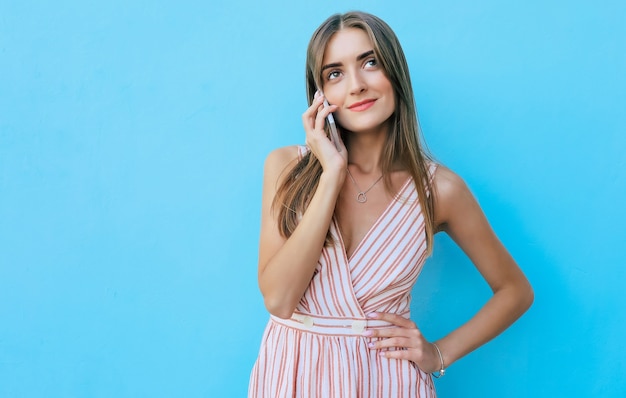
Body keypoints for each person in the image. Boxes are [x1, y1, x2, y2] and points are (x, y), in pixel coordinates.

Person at [249, 11, 533, 398]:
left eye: (370, 63)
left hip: (387, 381)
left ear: (395, 72)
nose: (356, 86)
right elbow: (280, 300)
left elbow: (515, 290)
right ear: (320, 95)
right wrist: (331, 173)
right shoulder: (286, 167)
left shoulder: (439, 190)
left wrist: (438, 354)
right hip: (292, 374)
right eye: (335, 73)